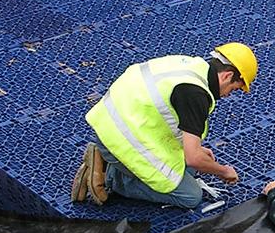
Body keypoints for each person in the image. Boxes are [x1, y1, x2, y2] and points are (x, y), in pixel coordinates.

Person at [73, 42, 257, 209]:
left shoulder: (190, 66)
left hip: (111, 124)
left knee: (192, 167)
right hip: (120, 141)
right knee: (191, 196)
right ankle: (110, 176)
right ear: (228, 75)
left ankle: (105, 157)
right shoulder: (195, 94)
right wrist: (223, 171)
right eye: (233, 89)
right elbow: (193, 158)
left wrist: (198, 154)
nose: (228, 95)